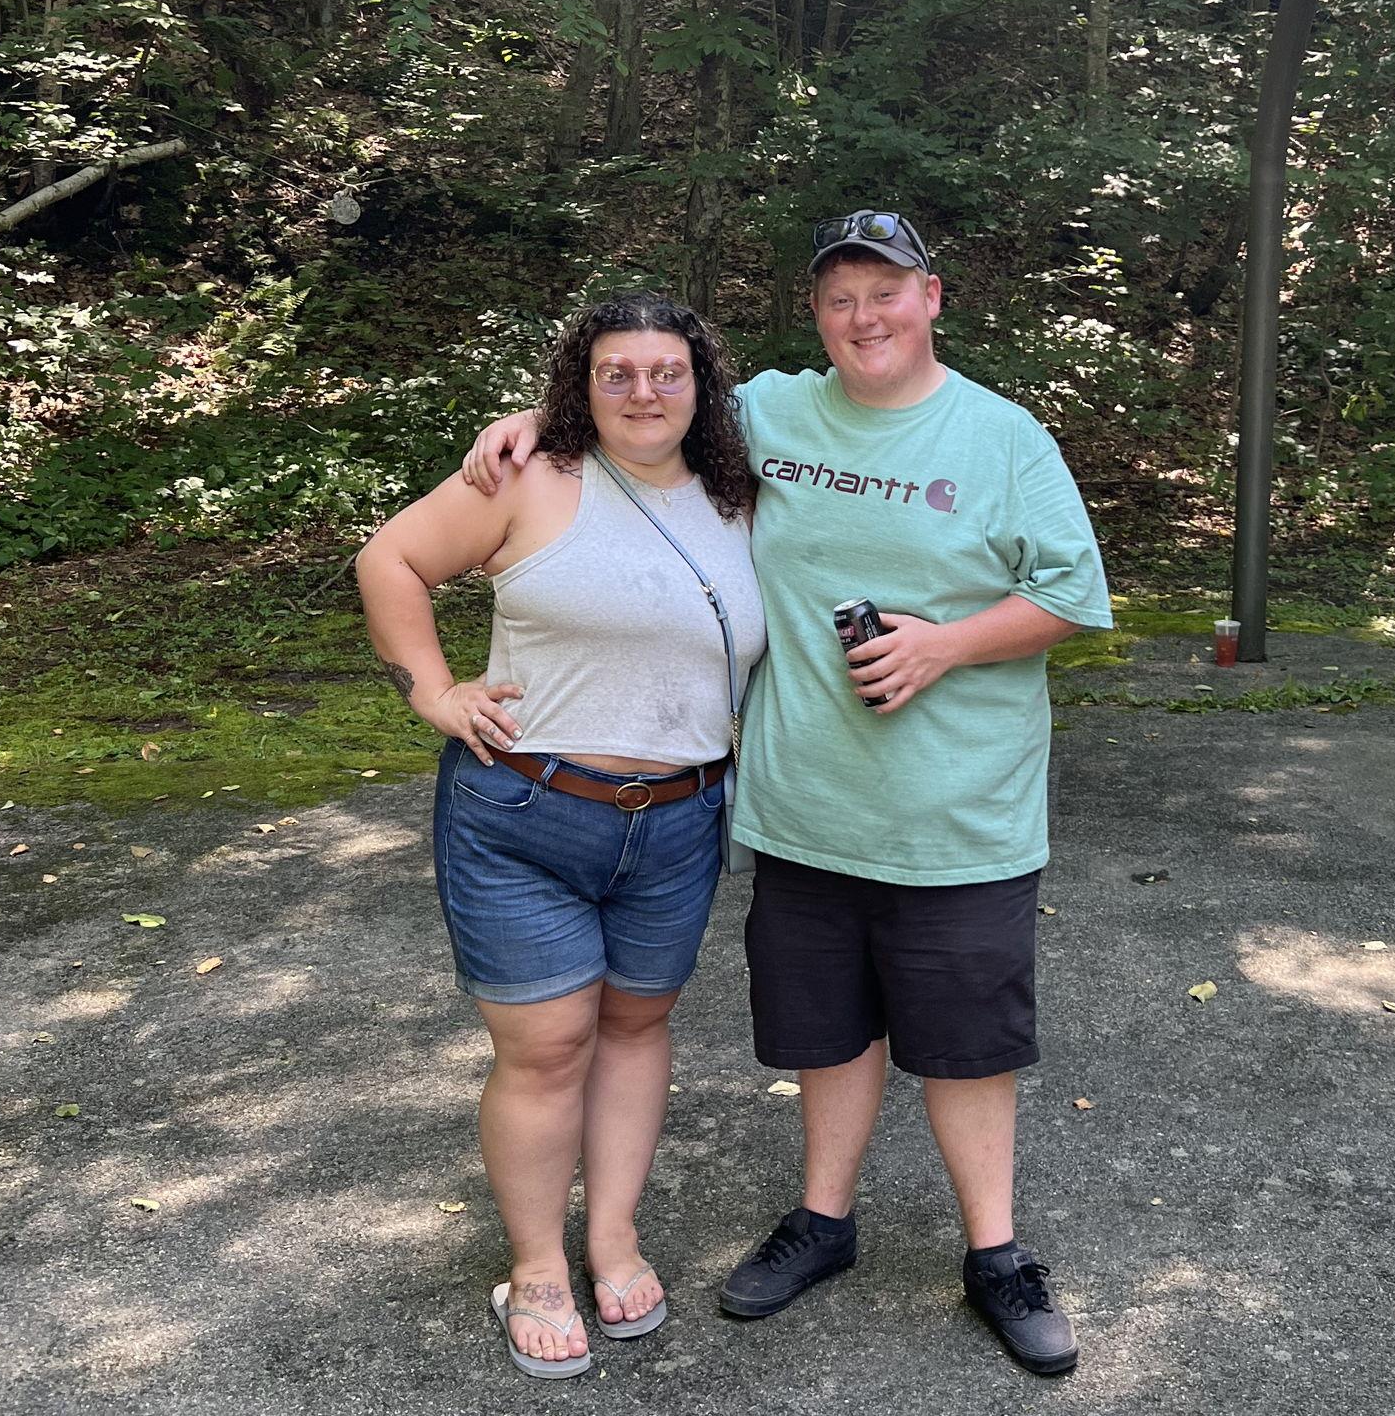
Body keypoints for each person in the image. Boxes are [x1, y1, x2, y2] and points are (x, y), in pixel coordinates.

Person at [464, 211, 1111, 1375]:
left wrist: (944, 646)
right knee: (826, 1032)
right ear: (816, 317)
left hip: (959, 813)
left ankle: (996, 1254)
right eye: (839, 299)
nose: (864, 317)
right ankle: (823, 1222)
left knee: (965, 1047)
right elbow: (637, 405)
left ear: (933, 298)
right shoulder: (767, 412)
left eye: (886, 292)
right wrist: (530, 426)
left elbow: (1075, 596)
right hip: (802, 804)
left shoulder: (1002, 436)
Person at [359, 292, 764, 1381]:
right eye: (615, 372)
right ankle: (536, 1266)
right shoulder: (524, 474)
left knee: (636, 1028)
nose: (643, 391)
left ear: (701, 384)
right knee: (546, 1049)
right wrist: (431, 692)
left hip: (680, 821)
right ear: (577, 385)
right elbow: (390, 562)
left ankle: (612, 1235)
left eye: (666, 371)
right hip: (523, 812)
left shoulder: (742, 492)